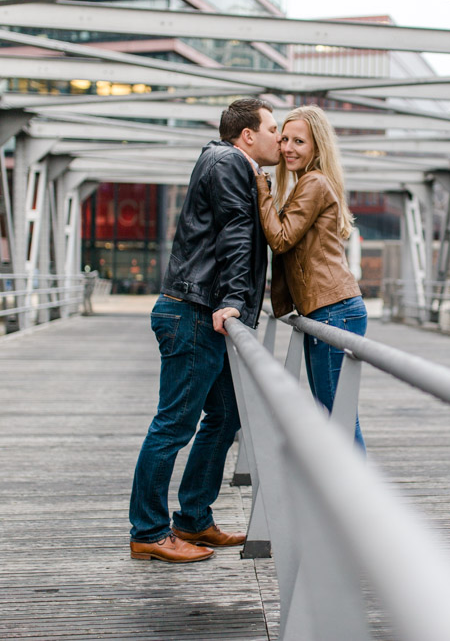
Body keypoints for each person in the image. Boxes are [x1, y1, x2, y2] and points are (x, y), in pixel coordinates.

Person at [129, 98, 281, 563]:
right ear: (247, 134)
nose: (280, 137)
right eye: (273, 128)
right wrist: (234, 299)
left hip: (197, 310)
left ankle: (193, 519)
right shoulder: (231, 161)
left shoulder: (227, 162)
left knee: (225, 415)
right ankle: (149, 532)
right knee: (173, 424)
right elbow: (236, 232)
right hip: (196, 311)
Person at [257, 105, 368, 453]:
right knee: (335, 411)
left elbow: (281, 238)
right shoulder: (309, 182)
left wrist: (261, 188)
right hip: (328, 308)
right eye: (284, 138)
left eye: (299, 141)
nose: (288, 147)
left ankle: (355, 500)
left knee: (338, 414)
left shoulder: (314, 182)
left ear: (317, 147)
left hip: (333, 308)